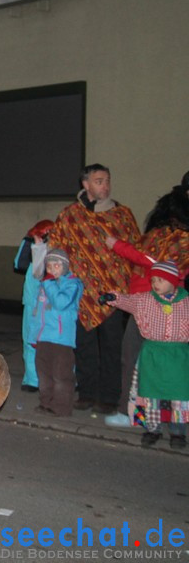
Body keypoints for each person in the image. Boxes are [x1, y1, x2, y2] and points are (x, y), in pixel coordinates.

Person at [48, 164, 139, 414]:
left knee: (112, 346)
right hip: (80, 292)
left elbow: (135, 251)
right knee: (84, 345)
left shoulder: (122, 215)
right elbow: (56, 249)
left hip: (113, 292)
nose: (105, 186)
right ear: (86, 185)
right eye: (99, 181)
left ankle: (110, 396)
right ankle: (87, 392)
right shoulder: (69, 215)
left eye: (107, 180)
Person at [102, 171, 189, 426]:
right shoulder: (162, 230)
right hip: (143, 301)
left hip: (170, 306)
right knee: (133, 360)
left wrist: (117, 245)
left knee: (171, 368)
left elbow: (158, 264)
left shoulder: (183, 237)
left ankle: (174, 423)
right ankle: (134, 415)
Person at [101, 260, 189, 449]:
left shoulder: (186, 302)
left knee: (179, 395)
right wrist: (113, 297)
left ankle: (178, 432)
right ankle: (151, 429)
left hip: (178, 355)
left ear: (173, 281)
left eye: (161, 280)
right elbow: (127, 300)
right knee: (149, 393)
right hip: (152, 353)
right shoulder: (145, 300)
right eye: (154, 280)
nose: (156, 284)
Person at [23, 244, 83, 417]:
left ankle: (62, 407)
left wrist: (49, 284)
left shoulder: (72, 285)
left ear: (65, 267)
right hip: (43, 338)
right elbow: (37, 312)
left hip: (60, 339)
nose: (52, 269)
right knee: (44, 374)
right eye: (49, 266)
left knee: (61, 375)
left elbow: (61, 303)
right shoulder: (46, 286)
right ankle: (46, 403)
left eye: (56, 265)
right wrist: (34, 337)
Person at [15, 219, 55, 392]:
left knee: (56, 341)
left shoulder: (59, 251)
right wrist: (33, 245)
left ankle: (61, 377)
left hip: (53, 304)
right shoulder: (29, 243)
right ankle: (33, 378)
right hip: (33, 303)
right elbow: (19, 264)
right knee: (31, 340)